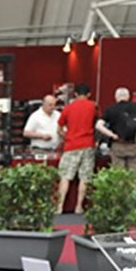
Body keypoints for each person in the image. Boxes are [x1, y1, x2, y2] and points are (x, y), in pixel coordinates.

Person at [55, 83, 97, 214]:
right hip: (88, 144)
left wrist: (67, 136)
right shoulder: (93, 106)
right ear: (89, 94)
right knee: (85, 177)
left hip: (71, 145)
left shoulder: (68, 108)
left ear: (75, 94)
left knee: (65, 176)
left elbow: (59, 129)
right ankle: (79, 206)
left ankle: (59, 207)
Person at [96, 87, 136, 172]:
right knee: (133, 174)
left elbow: (98, 125)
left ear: (116, 97)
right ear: (128, 96)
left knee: (118, 173)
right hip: (133, 144)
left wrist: (112, 135)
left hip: (118, 143)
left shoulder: (110, 109)